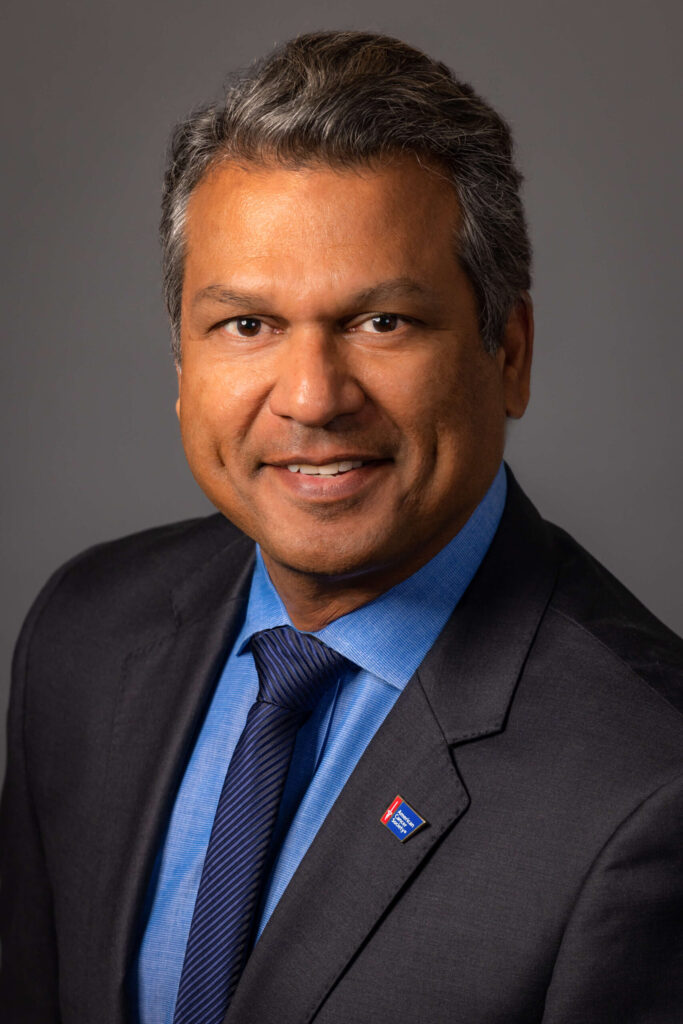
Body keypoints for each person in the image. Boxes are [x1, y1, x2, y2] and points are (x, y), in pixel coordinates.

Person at [1, 29, 682, 1024]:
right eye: (246, 325)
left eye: (381, 323)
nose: (313, 398)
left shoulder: (646, 787)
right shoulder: (84, 634)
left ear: (509, 355)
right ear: (182, 368)